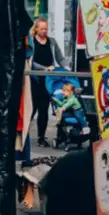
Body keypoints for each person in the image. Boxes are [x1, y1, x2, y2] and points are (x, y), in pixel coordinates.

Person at [25, 18, 66, 147]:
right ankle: (23, 135)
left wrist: (66, 67)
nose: (44, 31)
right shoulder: (32, 42)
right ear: (36, 29)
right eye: (42, 29)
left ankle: (41, 137)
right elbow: (30, 62)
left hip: (49, 81)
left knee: (44, 109)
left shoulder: (51, 42)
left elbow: (60, 57)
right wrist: (44, 68)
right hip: (35, 79)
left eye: (46, 29)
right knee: (32, 109)